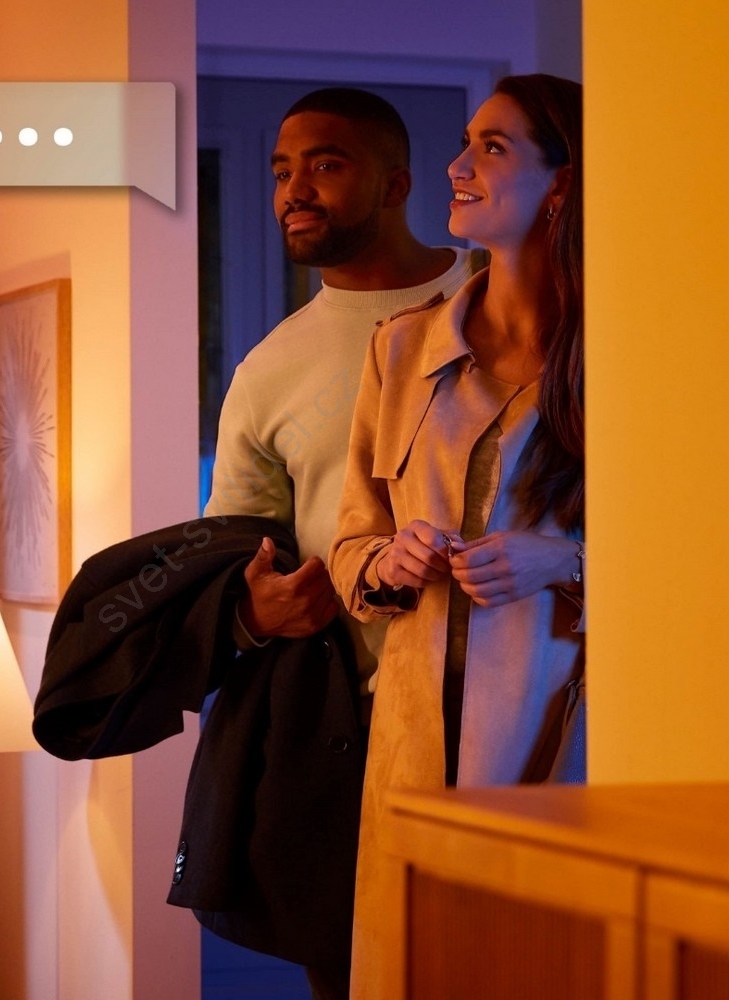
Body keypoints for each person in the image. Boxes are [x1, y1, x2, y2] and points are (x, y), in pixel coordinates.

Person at [203, 88, 487, 1000]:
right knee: (353, 975)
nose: (295, 190)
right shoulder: (267, 371)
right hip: (348, 719)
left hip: (505, 698)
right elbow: (235, 551)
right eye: (282, 170)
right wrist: (255, 609)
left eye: (325, 164)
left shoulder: (503, 304)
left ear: (397, 184)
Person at [327, 74, 584, 996]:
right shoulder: (399, 349)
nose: (457, 165)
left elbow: (691, 560)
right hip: (410, 743)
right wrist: (386, 560)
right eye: (467, 142)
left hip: (557, 734)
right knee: (410, 967)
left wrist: (567, 559)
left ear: (560, 186)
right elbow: (352, 540)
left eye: (493, 147)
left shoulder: (627, 355)